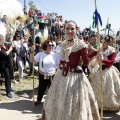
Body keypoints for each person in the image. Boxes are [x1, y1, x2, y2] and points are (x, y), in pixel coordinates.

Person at [41, 20, 100, 120]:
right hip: (60, 76)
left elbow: (87, 63)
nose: (70, 31)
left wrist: (96, 61)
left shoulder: (81, 45)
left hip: (75, 78)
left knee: (73, 104)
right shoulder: (62, 44)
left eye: (72, 28)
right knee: (58, 101)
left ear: (76, 30)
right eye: (67, 28)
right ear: (64, 30)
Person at [88, 36, 120, 110]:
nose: (103, 44)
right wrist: (89, 50)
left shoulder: (112, 50)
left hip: (108, 71)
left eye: (104, 42)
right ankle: (98, 105)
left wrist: (103, 60)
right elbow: (89, 56)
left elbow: (111, 62)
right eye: (102, 42)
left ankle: (109, 104)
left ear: (108, 43)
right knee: (97, 88)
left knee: (109, 87)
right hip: (98, 71)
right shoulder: (99, 48)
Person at [30, 39, 60, 105]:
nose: (51, 46)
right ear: (45, 46)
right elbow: (32, 61)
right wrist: (32, 52)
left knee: (52, 89)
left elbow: (59, 64)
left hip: (52, 75)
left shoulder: (55, 55)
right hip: (42, 74)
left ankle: (52, 101)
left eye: (52, 45)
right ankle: (38, 100)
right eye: (49, 45)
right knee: (41, 88)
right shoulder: (40, 54)